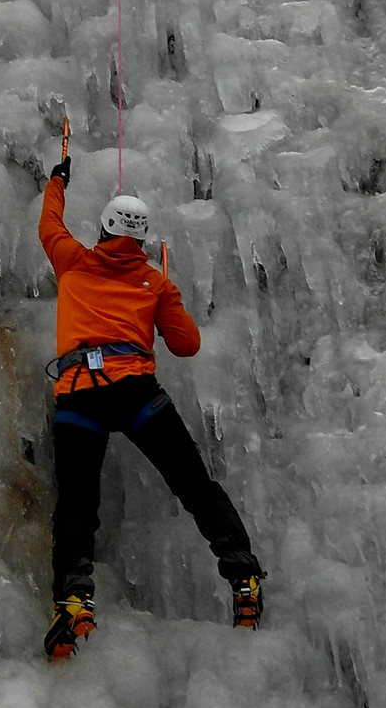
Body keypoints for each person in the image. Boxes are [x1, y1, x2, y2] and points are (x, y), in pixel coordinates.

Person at [38, 152, 260, 660]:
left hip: (80, 394)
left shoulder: (71, 258)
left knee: (77, 506)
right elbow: (187, 346)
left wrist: (58, 180)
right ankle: (243, 573)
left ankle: (74, 597)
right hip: (136, 394)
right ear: (141, 239)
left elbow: (49, 222)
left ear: (102, 230)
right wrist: (164, 290)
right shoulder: (154, 282)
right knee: (194, 486)